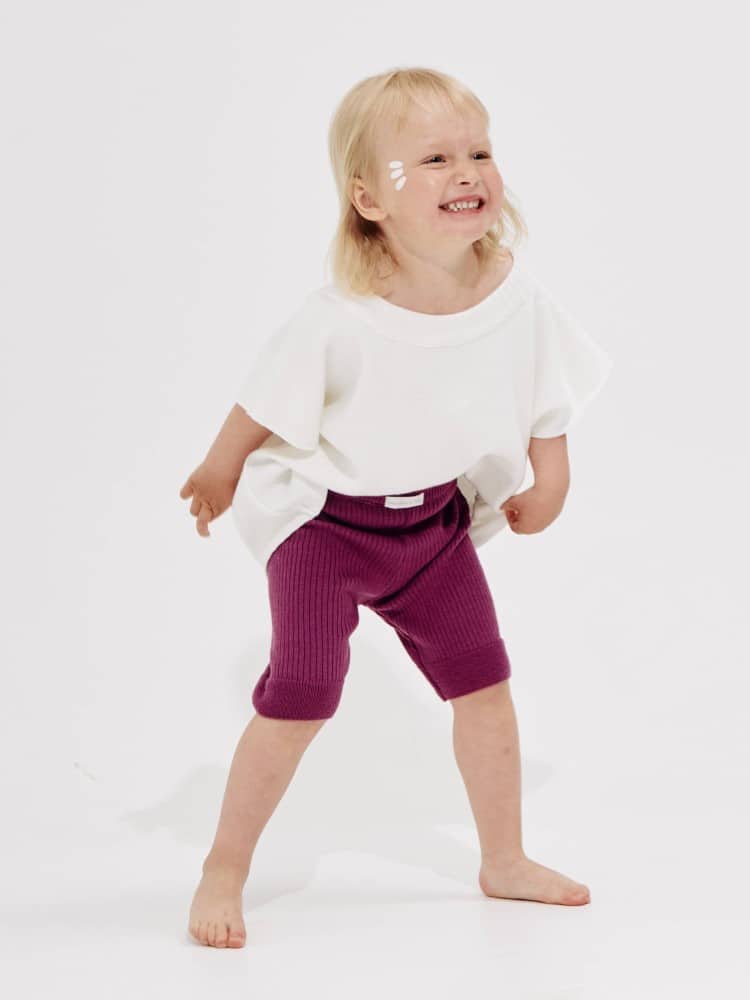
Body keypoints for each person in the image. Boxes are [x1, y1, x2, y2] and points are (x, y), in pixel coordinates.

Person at [179, 67, 614, 949]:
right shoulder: (341, 313)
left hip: (431, 531)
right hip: (327, 529)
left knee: (485, 687)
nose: (467, 173)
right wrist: (219, 471)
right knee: (302, 695)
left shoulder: (514, 294)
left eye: (479, 152)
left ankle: (504, 858)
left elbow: (550, 394)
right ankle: (223, 867)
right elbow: (263, 400)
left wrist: (552, 476)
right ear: (370, 199)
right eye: (435, 160)